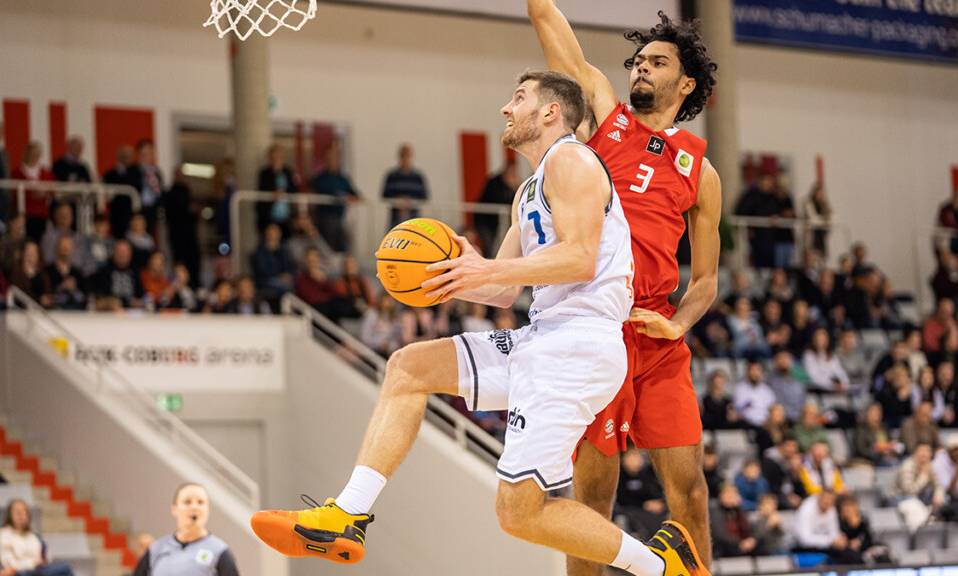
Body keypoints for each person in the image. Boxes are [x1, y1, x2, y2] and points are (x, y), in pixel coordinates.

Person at [252, 71, 704, 576]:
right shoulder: (528, 190)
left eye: (519, 99)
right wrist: (448, 278)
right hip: (546, 337)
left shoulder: (573, 160)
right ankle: (348, 515)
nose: (506, 110)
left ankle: (664, 567)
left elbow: (579, 259)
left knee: (518, 513)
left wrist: (485, 269)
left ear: (551, 111)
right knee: (408, 368)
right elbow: (506, 289)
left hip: (580, 345)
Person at [526, 10, 723, 570]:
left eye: (656, 61)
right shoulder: (605, 120)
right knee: (592, 499)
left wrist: (678, 325)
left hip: (656, 336)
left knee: (690, 494)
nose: (641, 68)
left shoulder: (700, 171)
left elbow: (706, 280)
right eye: (638, 61)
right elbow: (555, 36)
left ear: (685, 84)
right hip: (594, 328)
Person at [132, 483, 240, 576]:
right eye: (187, 502)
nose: (194, 507)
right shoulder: (156, 549)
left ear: (207, 511)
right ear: (174, 510)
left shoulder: (220, 551)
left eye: (200, 502)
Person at [0, 499, 74, 576]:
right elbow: (8, 564)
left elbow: (39, 559)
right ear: (10, 515)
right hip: (19, 572)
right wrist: (32, 564)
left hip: (38, 570)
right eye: (17, 511)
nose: (21, 514)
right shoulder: (4, 534)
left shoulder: (32, 537)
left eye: (23, 511)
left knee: (65, 568)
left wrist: (44, 562)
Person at [311, 143, 360, 253]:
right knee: (328, 246)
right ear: (326, 160)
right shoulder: (321, 178)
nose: (333, 160)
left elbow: (355, 194)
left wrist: (352, 197)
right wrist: (342, 196)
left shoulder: (342, 178)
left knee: (345, 243)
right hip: (326, 217)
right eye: (330, 158)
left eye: (335, 157)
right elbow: (326, 193)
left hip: (340, 217)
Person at [163, 166, 201, 285]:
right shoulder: (170, 194)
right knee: (180, 261)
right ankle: (179, 283)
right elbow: (170, 214)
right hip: (178, 235)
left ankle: (194, 283)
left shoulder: (188, 192)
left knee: (194, 260)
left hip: (190, 234)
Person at [10, 141, 55, 241]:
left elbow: (54, 189)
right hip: (24, 215)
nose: (33, 156)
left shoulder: (46, 173)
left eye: (36, 154)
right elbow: (13, 192)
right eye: (31, 153)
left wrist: (45, 192)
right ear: (25, 153)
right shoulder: (16, 173)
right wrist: (33, 193)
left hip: (42, 215)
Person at [474, 163, 520, 256]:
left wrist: (514, 188)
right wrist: (511, 187)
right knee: (489, 244)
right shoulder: (494, 183)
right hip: (485, 220)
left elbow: (515, 202)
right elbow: (497, 200)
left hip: (498, 222)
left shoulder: (516, 184)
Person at [380, 144, 428, 229]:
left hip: (413, 217)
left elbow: (424, 196)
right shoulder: (392, 176)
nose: (405, 158)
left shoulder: (418, 176)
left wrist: (410, 201)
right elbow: (385, 194)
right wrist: (398, 200)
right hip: (396, 217)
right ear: (399, 157)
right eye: (403, 156)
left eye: (407, 156)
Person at [127, 139, 163, 234]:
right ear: (139, 153)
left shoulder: (156, 171)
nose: (147, 156)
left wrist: (157, 189)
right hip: (137, 208)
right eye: (144, 153)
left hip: (152, 210)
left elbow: (160, 193)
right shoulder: (132, 170)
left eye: (149, 152)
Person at [103, 145, 135, 238]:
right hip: (117, 215)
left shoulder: (136, 172)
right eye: (124, 155)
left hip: (132, 214)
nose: (126, 158)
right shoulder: (110, 175)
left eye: (129, 155)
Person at [732, 360, 776, 427]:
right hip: (746, 423)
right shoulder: (740, 388)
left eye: (757, 370)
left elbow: (772, 407)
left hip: (765, 424)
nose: (755, 373)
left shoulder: (766, 390)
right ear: (747, 372)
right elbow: (738, 410)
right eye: (752, 370)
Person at [803, 182, 832, 257]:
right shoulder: (807, 202)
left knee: (822, 257)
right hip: (812, 236)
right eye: (819, 192)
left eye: (822, 192)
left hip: (821, 236)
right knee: (811, 257)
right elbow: (813, 218)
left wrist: (824, 219)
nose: (821, 194)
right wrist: (824, 219)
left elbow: (832, 216)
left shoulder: (824, 204)